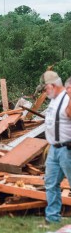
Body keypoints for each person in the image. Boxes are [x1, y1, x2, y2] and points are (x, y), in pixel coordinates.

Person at [42, 71, 71, 223]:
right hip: (54, 149)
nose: (45, 91)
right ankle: (52, 218)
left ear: (52, 86)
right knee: (51, 183)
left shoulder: (67, 98)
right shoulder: (53, 100)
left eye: (45, 88)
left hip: (68, 149)